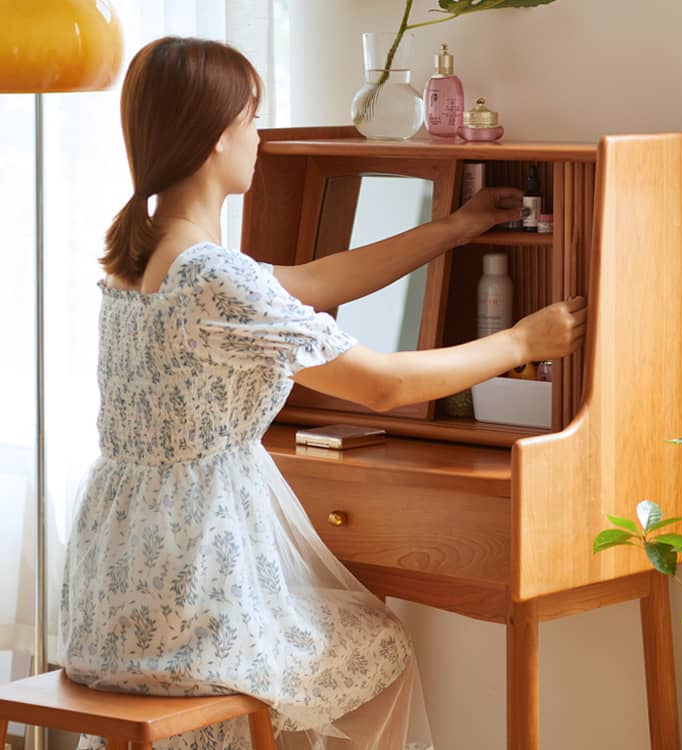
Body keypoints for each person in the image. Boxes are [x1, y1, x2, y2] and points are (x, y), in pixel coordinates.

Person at [58, 36, 586, 750]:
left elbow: (315, 281)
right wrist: (521, 343)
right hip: (192, 602)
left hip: (112, 602)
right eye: (251, 120)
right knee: (379, 648)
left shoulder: (143, 257)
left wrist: (454, 228)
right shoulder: (213, 277)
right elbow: (385, 385)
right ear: (217, 138)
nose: (260, 138)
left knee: (329, 644)